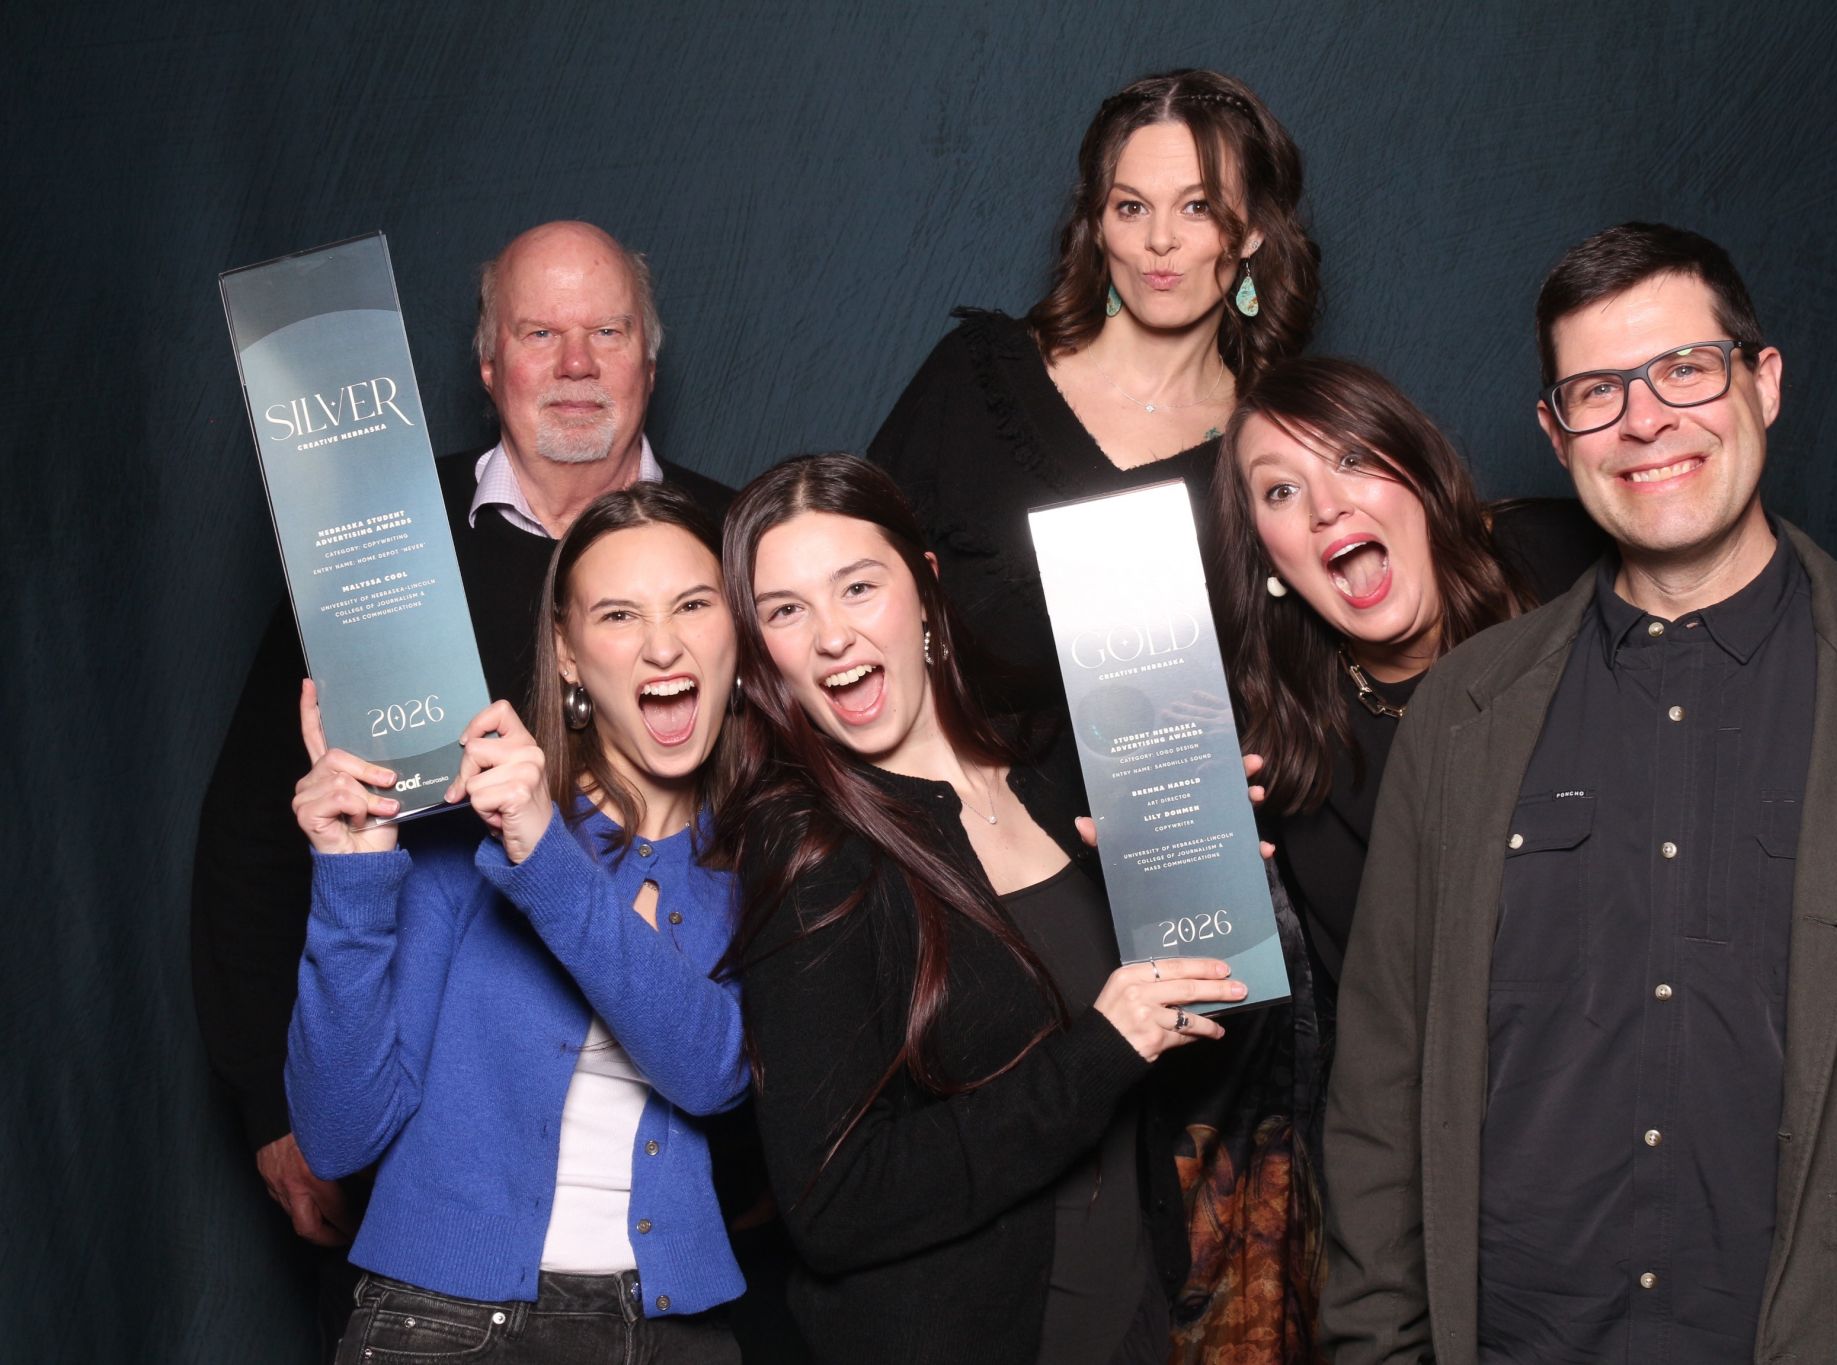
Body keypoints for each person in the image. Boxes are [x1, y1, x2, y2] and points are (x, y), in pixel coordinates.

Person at [1320, 222, 1837, 1362]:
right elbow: (1377, 1110)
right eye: (1596, 391)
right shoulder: (1461, 720)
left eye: (1681, 369)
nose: (1645, 419)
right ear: (1554, 436)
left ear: (1761, 382)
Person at [189, 220, 734, 1340]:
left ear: (648, 358)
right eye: (541, 333)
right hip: (430, 1167)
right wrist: (269, 1103)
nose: (576, 365)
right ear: (489, 365)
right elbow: (253, 838)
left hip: (676, 1217)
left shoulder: (733, 543)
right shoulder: (376, 548)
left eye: (607, 331)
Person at [712, 455, 1244, 1363]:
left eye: (858, 586)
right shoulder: (809, 849)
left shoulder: (1049, 777)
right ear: (763, 651)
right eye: (787, 610)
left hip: (1129, 1321)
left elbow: (1197, 1037)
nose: (833, 635)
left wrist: (1218, 881)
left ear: (924, 588)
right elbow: (834, 1202)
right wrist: (1098, 1052)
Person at [1154, 357, 1600, 1361]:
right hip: (1465, 1205)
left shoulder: (1567, 566)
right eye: (1278, 490)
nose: (1322, 508)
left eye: (1353, 458)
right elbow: (1308, 1049)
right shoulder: (1275, 750)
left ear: (1421, 471)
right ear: (1262, 550)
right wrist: (1169, 857)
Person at [286, 484, 746, 1361]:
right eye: (618, 614)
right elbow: (339, 1133)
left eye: (693, 603)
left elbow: (714, 1071)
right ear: (568, 655)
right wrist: (351, 878)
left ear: (737, 631)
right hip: (441, 1324)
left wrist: (547, 856)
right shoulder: (466, 844)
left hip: (673, 1332)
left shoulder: (780, 855)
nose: (662, 644)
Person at [870, 68, 1319, 717]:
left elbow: (1288, 694)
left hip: (1156, 813)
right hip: (933, 798)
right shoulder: (976, 376)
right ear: (1098, 225)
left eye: (1198, 207)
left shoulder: (1275, 452)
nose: (1158, 240)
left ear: (1252, 232)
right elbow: (846, 582)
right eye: (1130, 206)